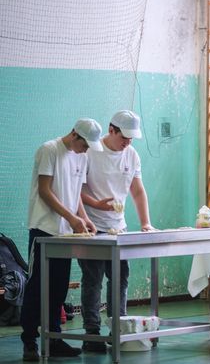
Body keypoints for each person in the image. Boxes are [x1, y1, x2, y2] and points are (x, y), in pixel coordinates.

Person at [21, 118, 103, 361]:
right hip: (44, 230)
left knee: (58, 288)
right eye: (84, 145)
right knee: (37, 286)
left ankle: (54, 338)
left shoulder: (82, 157)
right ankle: (29, 340)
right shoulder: (49, 150)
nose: (85, 150)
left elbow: (75, 193)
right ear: (74, 134)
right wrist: (71, 218)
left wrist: (84, 218)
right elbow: (45, 190)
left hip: (66, 233)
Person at [77, 110, 155, 353]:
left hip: (118, 228)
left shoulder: (131, 155)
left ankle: (118, 328)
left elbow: (137, 191)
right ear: (111, 130)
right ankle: (91, 333)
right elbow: (76, 190)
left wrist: (145, 222)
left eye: (131, 138)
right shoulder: (90, 152)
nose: (127, 142)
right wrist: (93, 208)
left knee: (120, 279)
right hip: (92, 227)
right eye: (124, 137)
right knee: (93, 280)